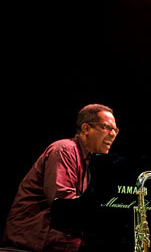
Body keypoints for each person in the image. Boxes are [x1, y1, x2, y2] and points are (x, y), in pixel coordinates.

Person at [2, 104, 119, 252]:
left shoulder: (92, 163)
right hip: (32, 245)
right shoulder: (64, 150)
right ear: (86, 129)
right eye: (106, 127)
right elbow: (64, 207)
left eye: (116, 130)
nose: (113, 134)